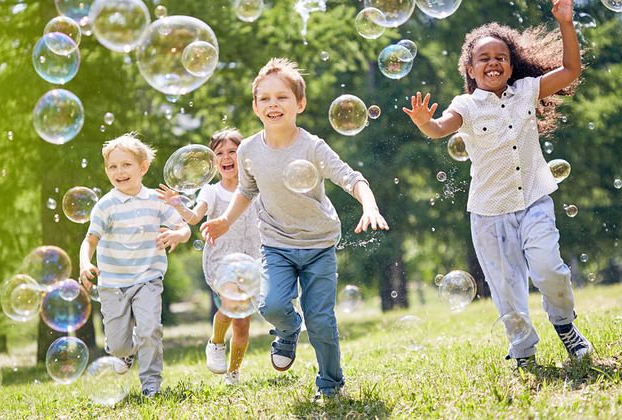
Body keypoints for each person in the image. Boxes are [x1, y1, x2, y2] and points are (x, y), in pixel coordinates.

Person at [403, 0, 593, 369]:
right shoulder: (466, 105)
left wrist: (566, 24)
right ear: (470, 69)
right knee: (507, 292)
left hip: (535, 200)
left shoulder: (526, 90)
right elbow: (441, 128)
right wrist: (425, 123)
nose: (493, 62)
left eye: (501, 56)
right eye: (484, 57)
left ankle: (565, 326)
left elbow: (571, 70)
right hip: (490, 213)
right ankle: (523, 351)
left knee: (550, 269)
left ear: (511, 63)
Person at [201, 58, 389, 400]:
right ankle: (288, 330)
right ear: (256, 106)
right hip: (275, 244)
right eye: (266, 98)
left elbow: (351, 178)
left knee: (321, 320)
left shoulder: (312, 146)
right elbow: (246, 190)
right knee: (270, 304)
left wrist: (370, 205)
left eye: (282, 97)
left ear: (299, 103)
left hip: (318, 244)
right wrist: (225, 221)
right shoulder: (248, 150)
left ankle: (330, 384)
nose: (274, 104)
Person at [79, 133, 191, 397]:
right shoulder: (105, 206)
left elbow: (184, 227)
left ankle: (151, 385)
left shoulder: (156, 200)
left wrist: (178, 234)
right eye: (112, 166)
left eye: (126, 164)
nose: (119, 171)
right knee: (118, 345)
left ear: (142, 167)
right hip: (113, 284)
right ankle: (125, 354)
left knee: (150, 329)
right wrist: (85, 262)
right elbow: (90, 239)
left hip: (147, 278)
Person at [156, 128, 261, 386]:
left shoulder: (257, 187)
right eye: (220, 153)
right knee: (230, 304)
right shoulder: (211, 192)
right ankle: (215, 343)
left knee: (242, 324)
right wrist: (178, 204)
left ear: (243, 156)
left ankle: (233, 373)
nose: (226, 158)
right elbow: (193, 217)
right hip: (222, 259)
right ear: (214, 161)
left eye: (233, 152)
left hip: (253, 260)